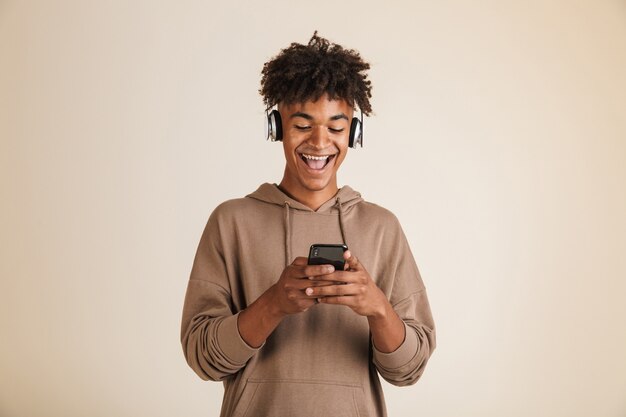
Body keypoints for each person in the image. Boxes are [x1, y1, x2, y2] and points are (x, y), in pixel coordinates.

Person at [180, 31, 436, 417]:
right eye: (302, 125)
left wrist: (377, 308)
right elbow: (203, 357)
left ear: (354, 131)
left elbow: (408, 369)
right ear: (277, 126)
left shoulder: (382, 228)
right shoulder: (231, 222)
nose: (320, 142)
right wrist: (274, 304)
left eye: (336, 127)